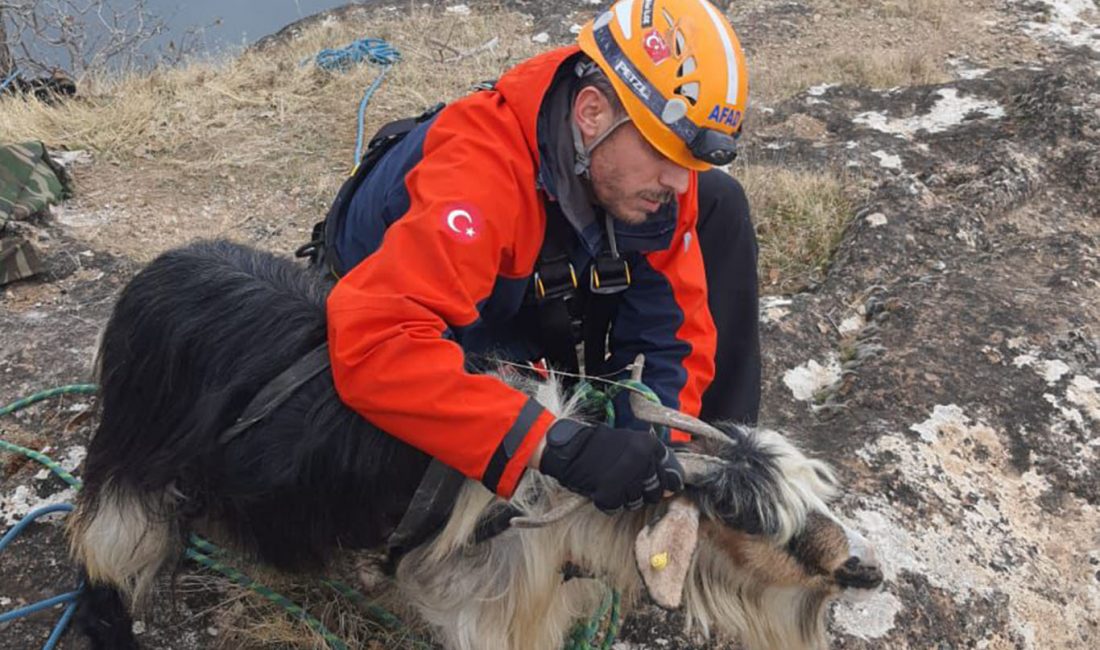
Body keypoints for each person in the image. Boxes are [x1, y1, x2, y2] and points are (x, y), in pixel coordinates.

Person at [324, 0, 760, 515]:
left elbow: (673, 328)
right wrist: (553, 444)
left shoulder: (645, 158)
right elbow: (376, 343)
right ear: (592, 112)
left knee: (719, 203)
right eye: (666, 154)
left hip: (543, 267)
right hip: (445, 305)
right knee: (496, 458)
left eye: (688, 161)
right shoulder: (478, 178)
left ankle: (723, 482)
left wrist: (658, 451)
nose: (680, 181)